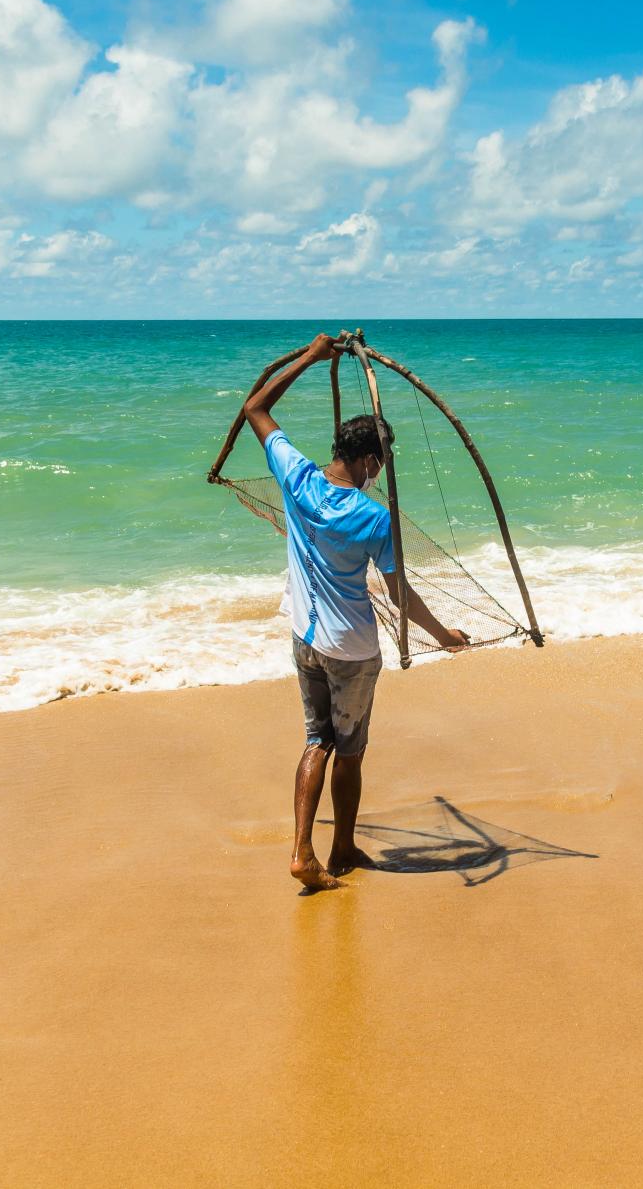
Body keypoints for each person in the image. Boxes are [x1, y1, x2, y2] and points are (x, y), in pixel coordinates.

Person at [220, 333, 469, 892]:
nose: (379, 472)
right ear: (366, 459)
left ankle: (309, 850)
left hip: (304, 638)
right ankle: (339, 850)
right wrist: (445, 636)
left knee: (316, 740)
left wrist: (308, 358)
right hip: (352, 652)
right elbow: (399, 594)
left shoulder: (297, 476)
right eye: (378, 462)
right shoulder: (374, 518)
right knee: (349, 753)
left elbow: (255, 407)